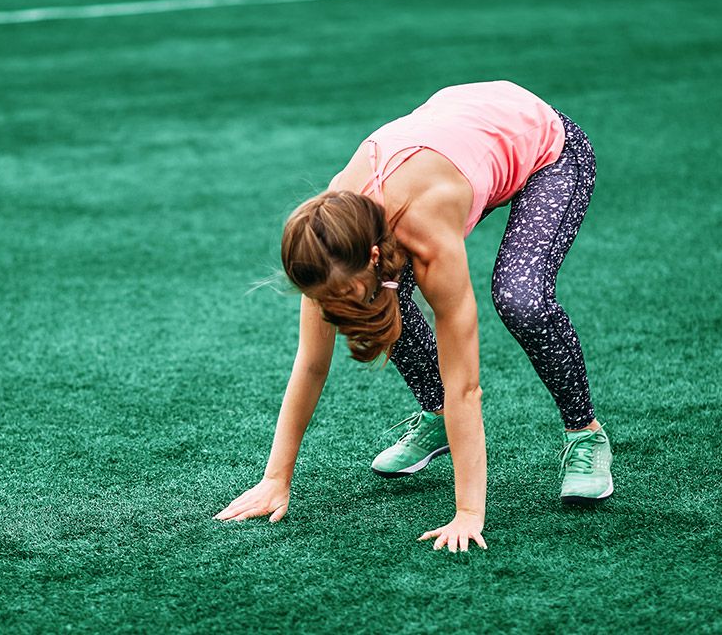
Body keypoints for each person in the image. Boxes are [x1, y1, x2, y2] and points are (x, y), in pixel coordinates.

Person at [212, 80, 613, 553]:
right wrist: (275, 480)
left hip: (547, 148)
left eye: (339, 293)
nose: (332, 309)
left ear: (375, 253)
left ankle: (585, 433)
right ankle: (436, 418)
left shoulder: (427, 228)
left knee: (520, 296)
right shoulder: (327, 242)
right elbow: (311, 363)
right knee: (377, 302)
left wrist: (468, 513)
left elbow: (465, 382)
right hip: (461, 134)